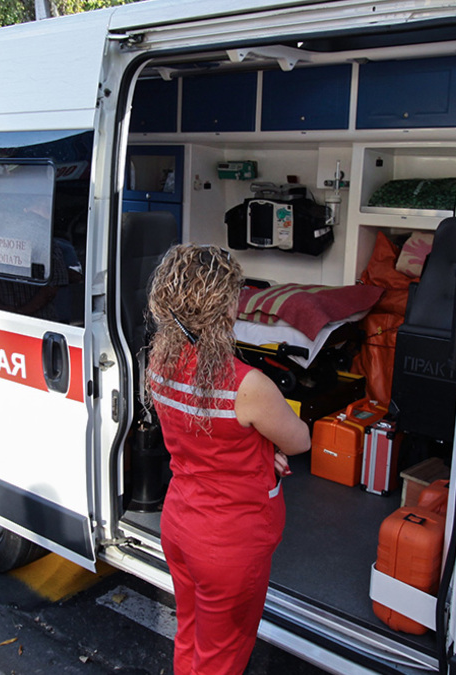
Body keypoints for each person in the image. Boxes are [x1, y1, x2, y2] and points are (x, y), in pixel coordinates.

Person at [145, 244, 310, 675]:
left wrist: (259, 450)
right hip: (228, 545)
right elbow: (300, 441)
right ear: (224, 305)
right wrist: (269, 449)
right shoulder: (247, 385)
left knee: (190, 636)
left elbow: (201, 437)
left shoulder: (158, 362)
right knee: (222, 658)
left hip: (180, 524)